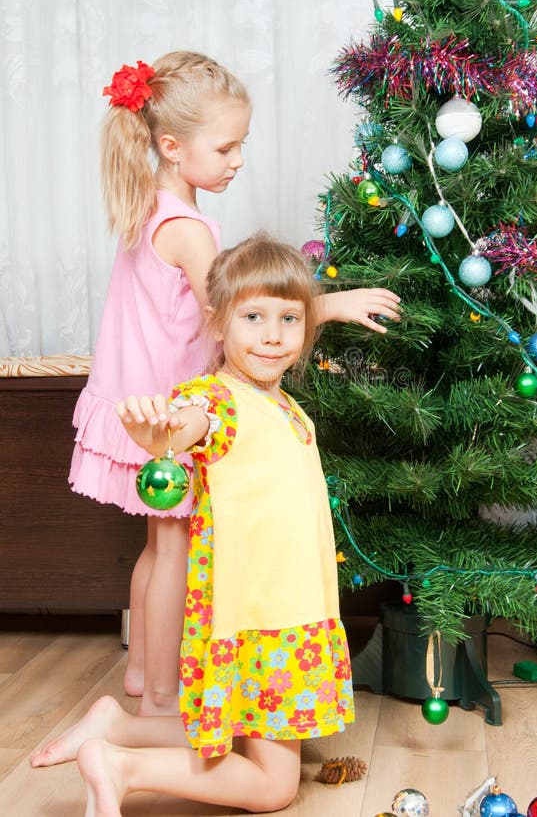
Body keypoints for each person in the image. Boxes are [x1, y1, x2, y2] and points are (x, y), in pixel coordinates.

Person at [71, 49, 400, 717]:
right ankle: (160, 696)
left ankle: (141, 672)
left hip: (138, 400)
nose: (238, 161)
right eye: (225, 148)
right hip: (173, 413)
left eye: (240, 145)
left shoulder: (151, 205)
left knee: (157, 545)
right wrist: (327, 305)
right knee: (174, 549)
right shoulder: (187, 229)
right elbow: (235, 313)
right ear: (172, 146)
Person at [32, 234, 355, 817]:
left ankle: (120, 728)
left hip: (288, 617)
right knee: (275, 787)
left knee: (239, 735)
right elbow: (190, 423)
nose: (272, 335)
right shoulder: (220, 400)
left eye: (288, 319)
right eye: (253, 317)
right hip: (261, 624)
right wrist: (159, 433)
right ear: (216, 323)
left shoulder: (281, 404)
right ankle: (124, 767)